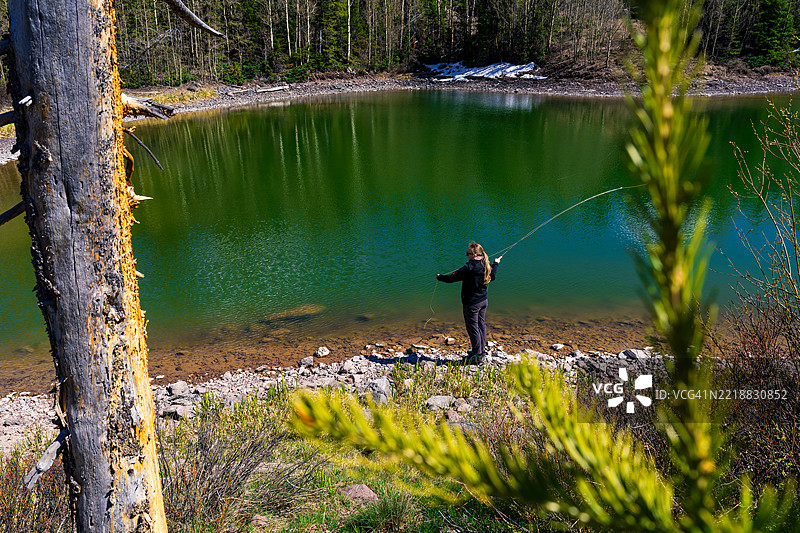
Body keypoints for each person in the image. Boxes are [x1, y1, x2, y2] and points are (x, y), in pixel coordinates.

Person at [436, 242, 500, 364]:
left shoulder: (469, 268)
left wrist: (440, 277)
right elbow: (493, 275)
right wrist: (496, 263)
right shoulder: (485, 264)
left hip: (472, 304)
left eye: (467, 254)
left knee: (473, 328)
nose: (467, 256)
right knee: (481, 325)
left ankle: (477, 356)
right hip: (483, 301)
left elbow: (452, 278)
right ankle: (481, 351)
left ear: (474, 254)